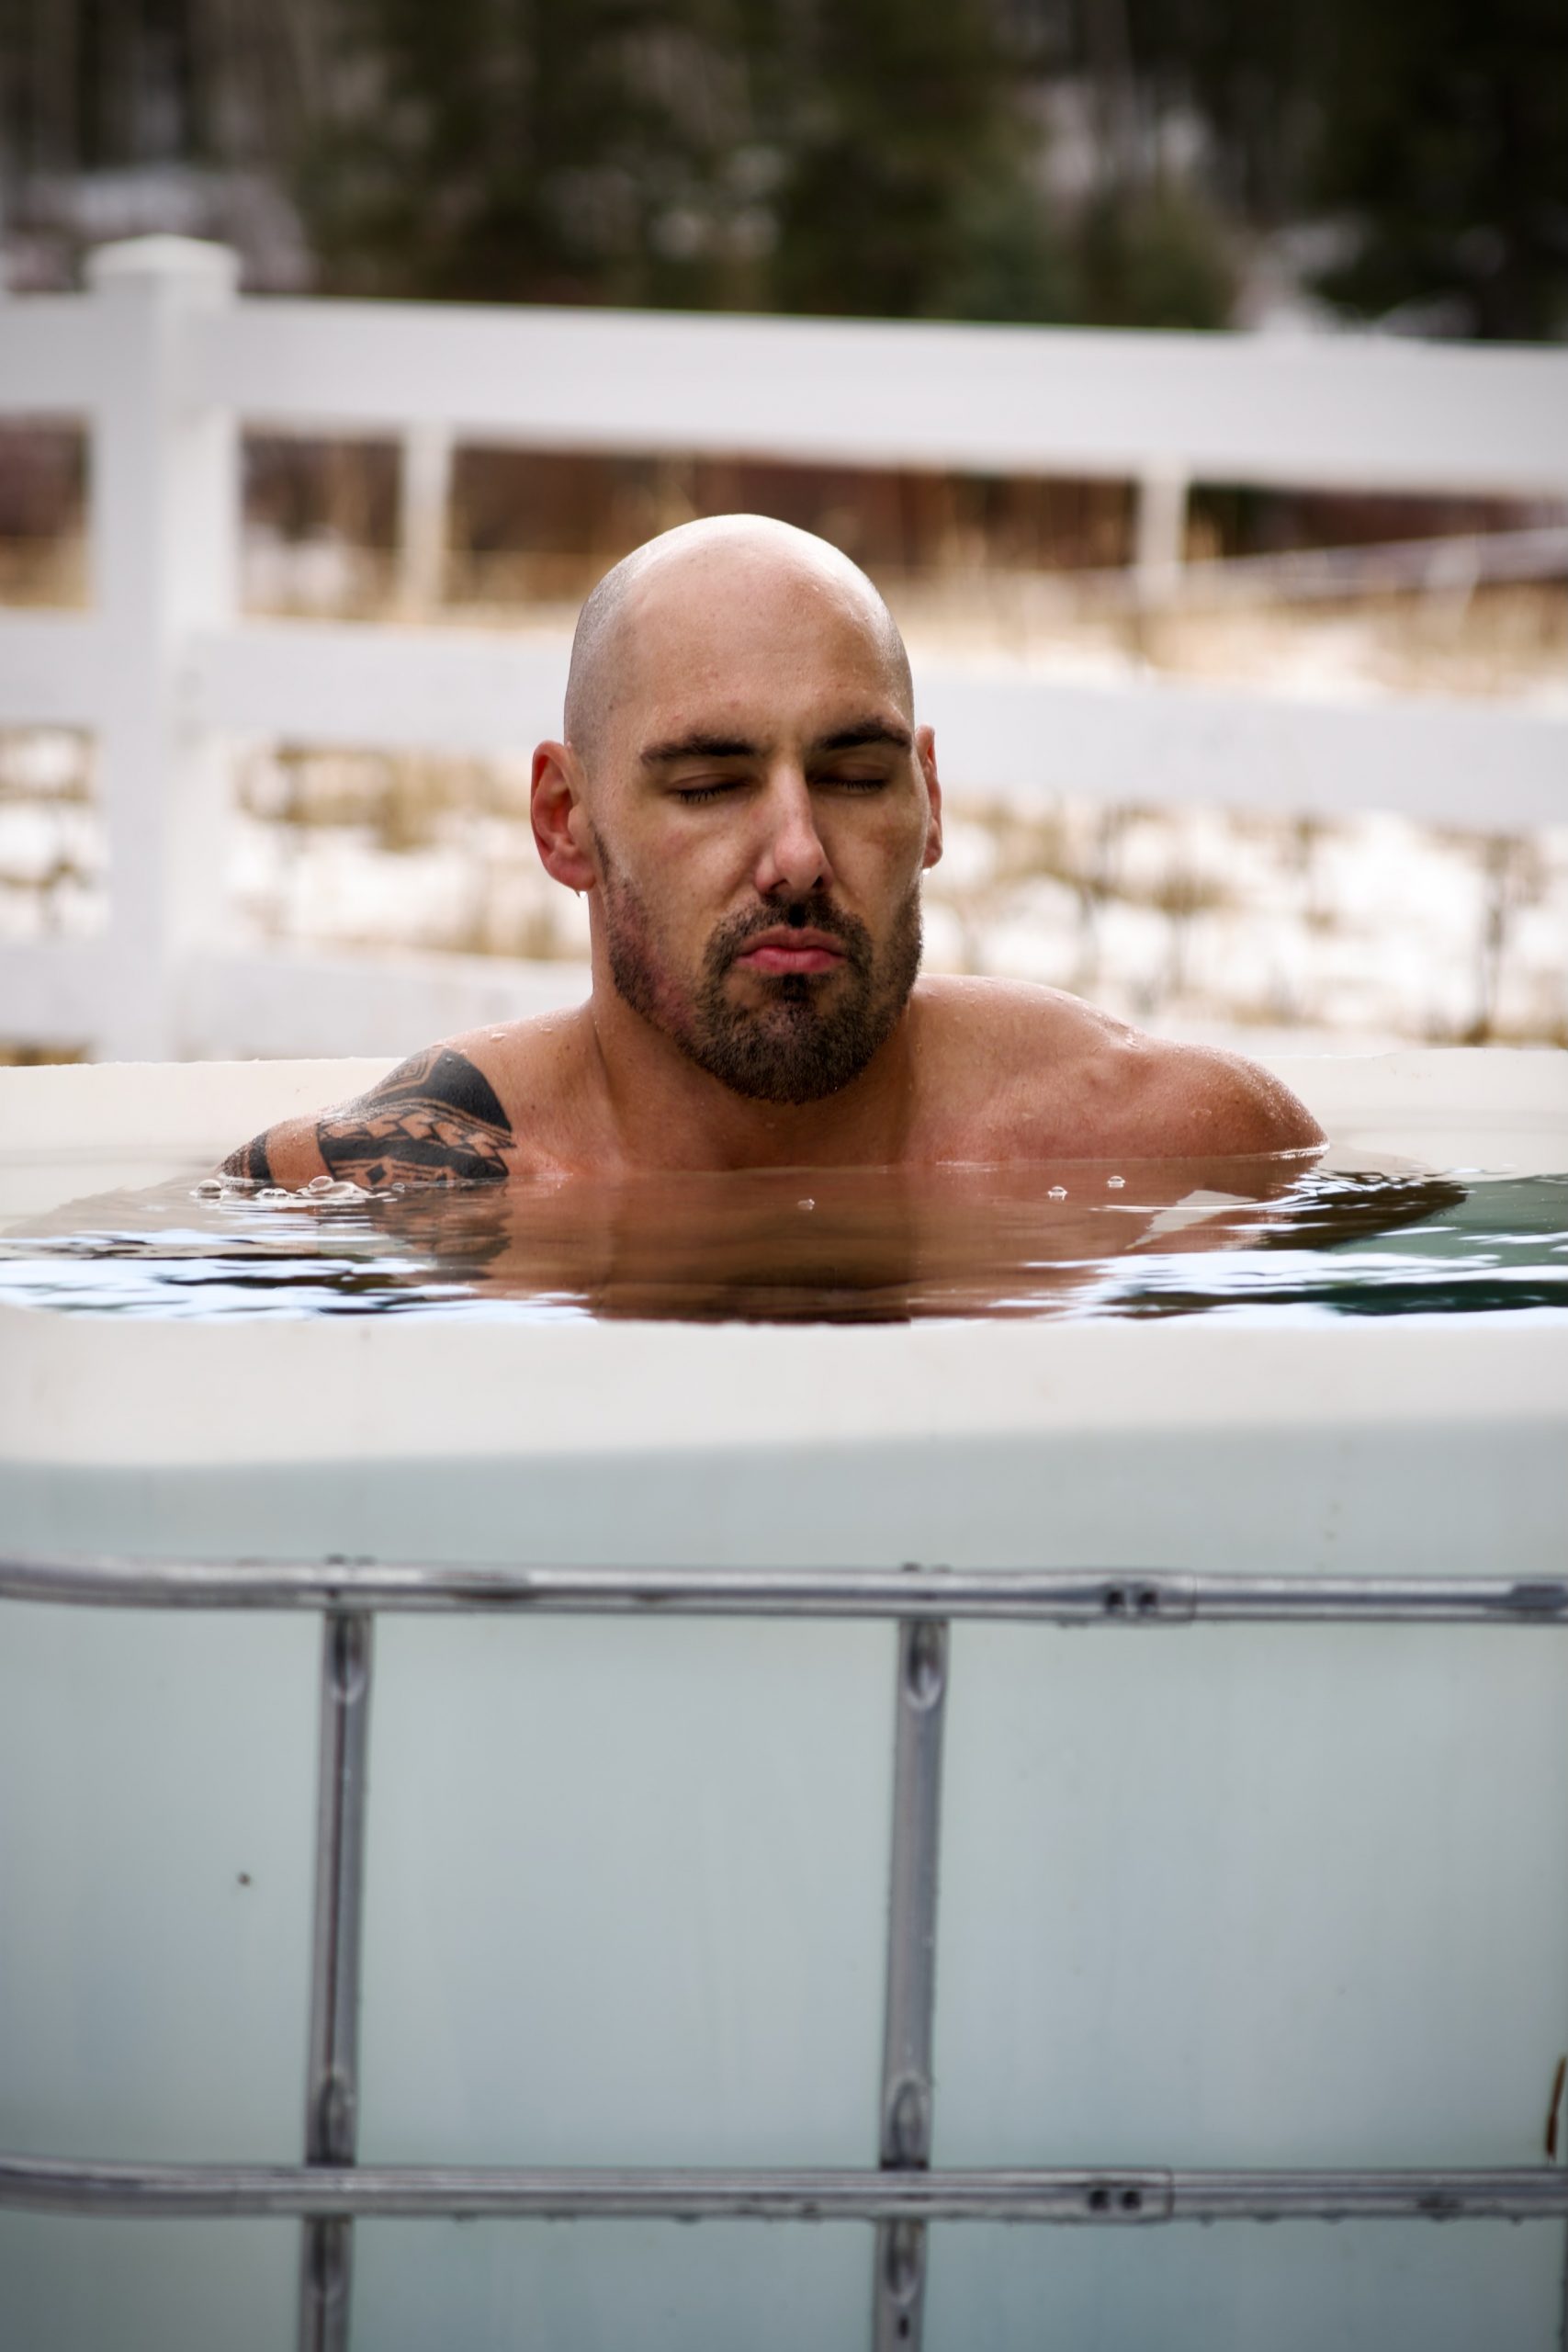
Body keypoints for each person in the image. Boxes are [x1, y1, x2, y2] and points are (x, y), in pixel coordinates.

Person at [222, 514, 1322, 1192]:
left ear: (931, 801)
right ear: (565, 822)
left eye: (855, 776)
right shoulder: (395, 1188)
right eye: (709, 785)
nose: (797, 856)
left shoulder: (1171, 1150)